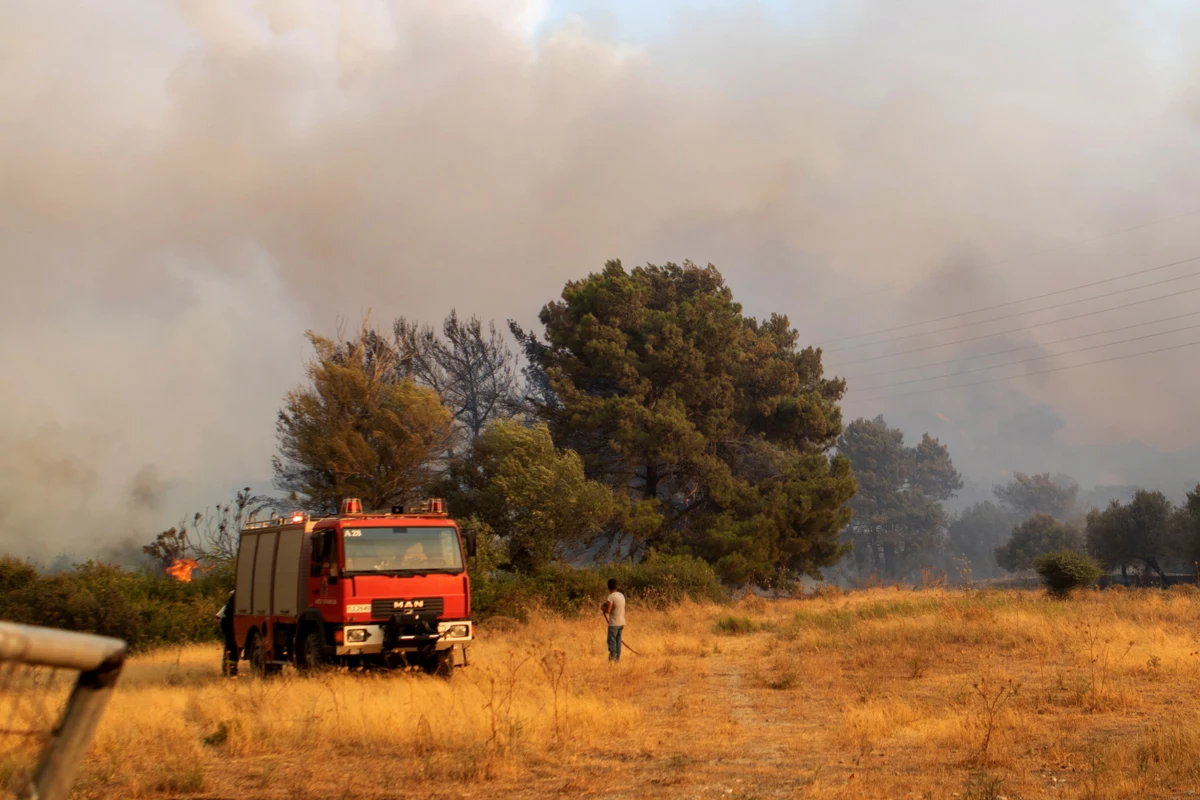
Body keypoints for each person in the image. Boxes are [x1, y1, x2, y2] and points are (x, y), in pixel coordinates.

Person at [600, 578, 626, 663]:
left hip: (614, 623)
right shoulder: (621, 595)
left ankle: (612, 659)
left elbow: (608, 610)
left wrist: (603, 608)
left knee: (611, 641)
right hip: (622, 622)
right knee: (618, 641)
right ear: (616, 586)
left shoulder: (611, 597)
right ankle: (617, 659)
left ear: (608, 587)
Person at [215, 590, 238, 677]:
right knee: (230, 650)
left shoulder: (228, 606)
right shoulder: (229, 607)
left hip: (230, 632)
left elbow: (217, 617)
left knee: (229, 650)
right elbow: (217, 617)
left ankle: (228, 670)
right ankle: (229, 671)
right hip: (230, 632)